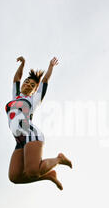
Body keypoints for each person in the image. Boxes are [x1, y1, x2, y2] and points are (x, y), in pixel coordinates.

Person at [5, 56, 72, 190]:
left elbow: (45, 80)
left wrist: (50, 67)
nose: (28, 85)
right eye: (27, 82)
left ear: (35, 90)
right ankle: (49, 175)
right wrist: (23, 64)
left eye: (32, 86)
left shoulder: (33, 100)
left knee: (32, 171)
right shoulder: (15, 96)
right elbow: (16, 78)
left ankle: (59, 159)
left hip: (31, 134)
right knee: (14, 177)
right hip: (19, 141)